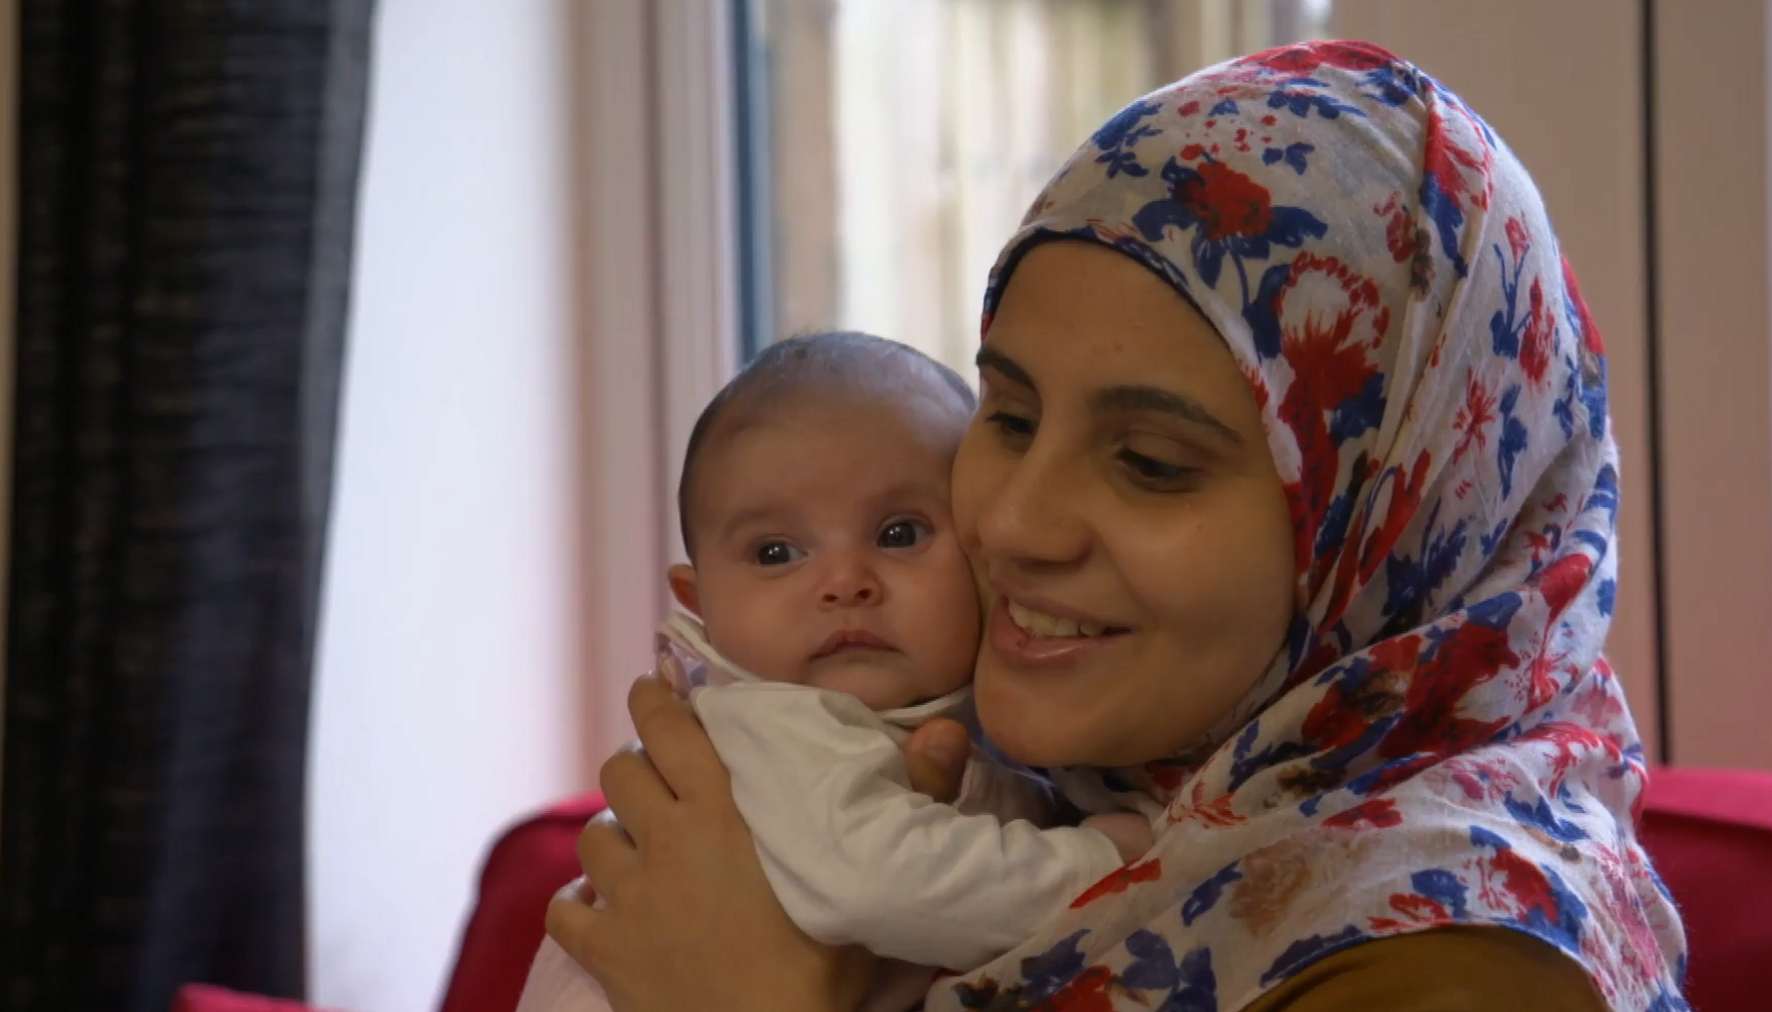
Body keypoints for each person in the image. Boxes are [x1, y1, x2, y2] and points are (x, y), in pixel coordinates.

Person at [544, 41, 1688, 1012]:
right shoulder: (1139, 791)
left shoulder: (1461, 960)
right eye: (1010, 414)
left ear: (1391, 527)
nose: (1012, 521)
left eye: (1150, 462)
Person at [515, 332, 1151, 1012]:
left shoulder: (982, 725)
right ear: (702, 604)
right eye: (776, 551)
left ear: (981, 554)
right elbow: (874, 882)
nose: (845, 582)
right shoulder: (774, 723)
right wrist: (1100, 861)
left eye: (899, 534)